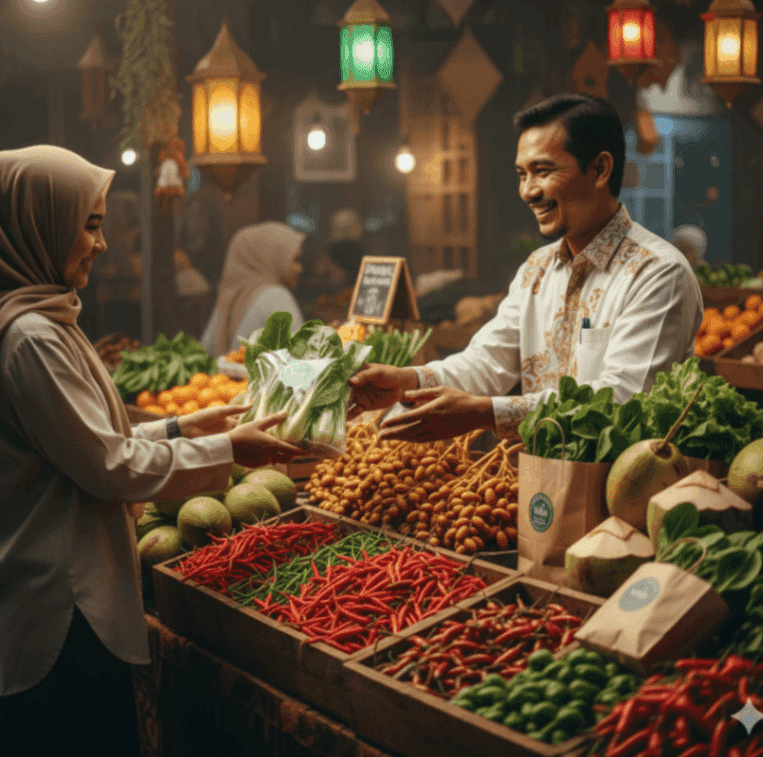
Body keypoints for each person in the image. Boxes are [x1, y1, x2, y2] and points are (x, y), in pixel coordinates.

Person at [0, 146, 305, 755]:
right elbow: (110, 467)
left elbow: (89, 443)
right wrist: (228, 450)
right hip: (60, 609)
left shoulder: (44, 318)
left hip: (64, 596)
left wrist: (181, 429)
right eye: (89, 224)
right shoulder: (32, 337)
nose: (104, 243)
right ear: (42, 223)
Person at [350, 93, 704, 443]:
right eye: (522, 174)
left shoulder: (658, 273)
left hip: (622, 490)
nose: (528, 191)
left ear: (600, 170)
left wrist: (487, 413)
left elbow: (625, 400)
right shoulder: (537, 269)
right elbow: (487, 363)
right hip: (540, 482)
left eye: (543, 171)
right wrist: (407, 381)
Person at [200, 222, 305, 357]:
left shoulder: (231, 297)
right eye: (295, 260)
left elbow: (205, 350)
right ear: (272, 257)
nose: (300, 269)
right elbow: (302, 359)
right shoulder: (275, 296)